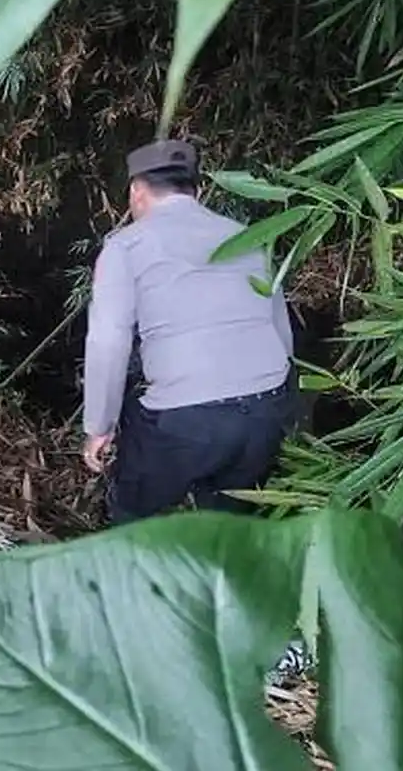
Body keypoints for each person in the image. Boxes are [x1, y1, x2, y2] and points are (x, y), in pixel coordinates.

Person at [81, 139, 295, 525]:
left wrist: (100, 426)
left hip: (186, 420)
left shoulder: (126, 247)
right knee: (231, 525)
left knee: (132, 514)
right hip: (265, 410)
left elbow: (108, 343)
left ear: (137, 191)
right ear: (195, 190)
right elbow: (280, 329)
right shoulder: (246, 237)